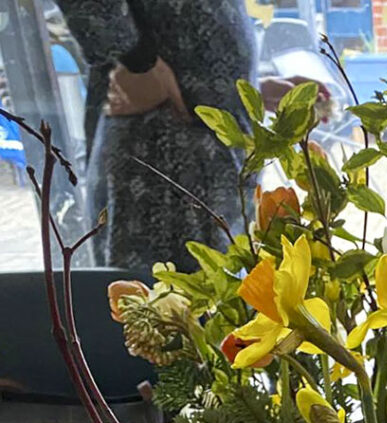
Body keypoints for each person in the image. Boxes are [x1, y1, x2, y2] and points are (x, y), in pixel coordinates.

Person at [56, 1, 256, 273]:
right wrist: (139, 61)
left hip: (201, 138)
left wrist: (244, 90)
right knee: (163, 300)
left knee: (218, 295)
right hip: (161, 141)